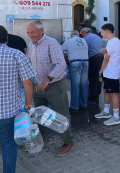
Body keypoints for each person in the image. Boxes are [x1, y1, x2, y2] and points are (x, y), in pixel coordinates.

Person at [26, 20, 74, 156]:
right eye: (28, 33)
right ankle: (38, 140)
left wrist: (48, 79)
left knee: (61, 114)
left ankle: (68, 141)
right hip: (38, 86)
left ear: (41, 30)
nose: (30, 35)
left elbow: (61, 64)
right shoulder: (31, 44)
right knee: (36, 114)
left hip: (54, 85)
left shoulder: (51, 43)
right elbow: (29, 62)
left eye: (33, 32)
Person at [0, 25, 35, 173]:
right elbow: (27, 82)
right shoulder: (16, 54)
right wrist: (28, 103)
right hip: (8, 112)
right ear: (6, 39)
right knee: (8, 144)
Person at [94, 23, 120, 126]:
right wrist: (104, 51)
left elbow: (106, 59)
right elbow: (110, 53)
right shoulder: (113, 41)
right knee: (106, 91)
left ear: (106, 31)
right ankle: (106, 111)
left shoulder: (113, 42)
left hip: (112, 72)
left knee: (113, 93)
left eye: (101, 32)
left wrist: (100, 71)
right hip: (109, 72)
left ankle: (116, 116)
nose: (101, 34)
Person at [62, 30, 89, 112]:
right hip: (85, 62)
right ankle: (84, 104)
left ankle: (74, 106)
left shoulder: (69, 41)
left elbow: (60, 51)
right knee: (84, 85)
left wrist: (66, 56)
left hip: (75, 63)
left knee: (75, 86)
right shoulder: (84, 40)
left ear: (71, 35)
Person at [82, 27, 104, 105]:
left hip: (94, 59)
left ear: (84, 33)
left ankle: (93, 98)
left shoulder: (87, 38)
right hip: (101, 58)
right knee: (99, 78)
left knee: (93, 79)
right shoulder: (97, 36)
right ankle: (97, 96)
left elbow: (84, 49)